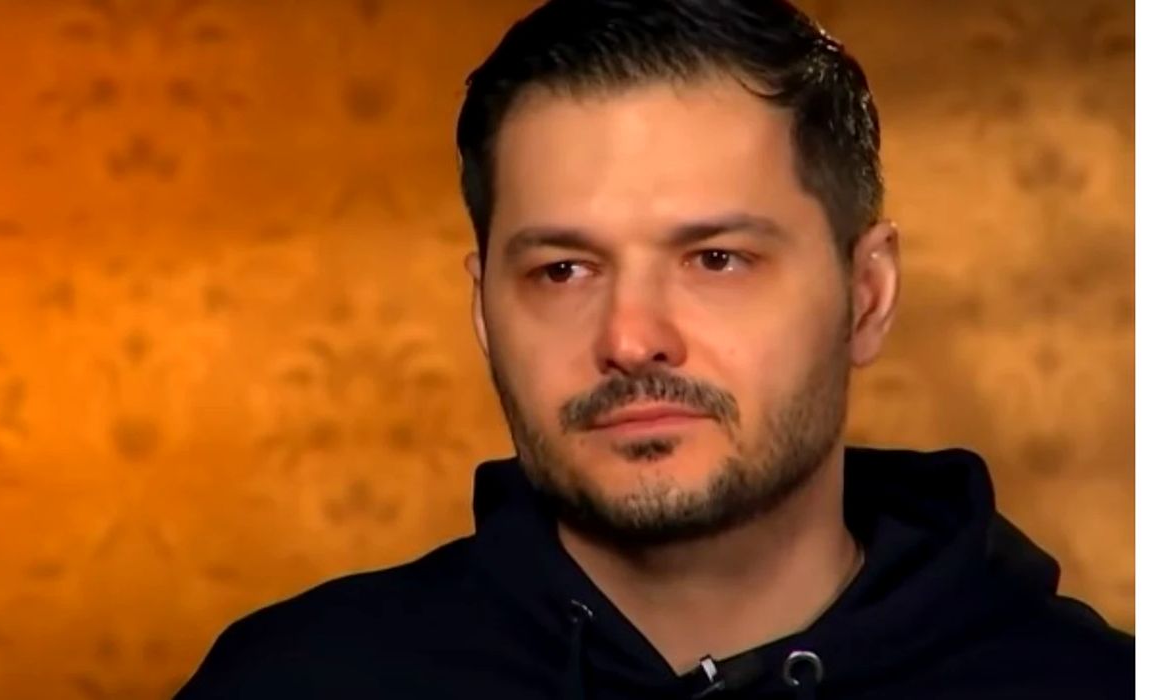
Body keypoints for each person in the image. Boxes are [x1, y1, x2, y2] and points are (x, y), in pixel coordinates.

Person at [176, 1, 1134, 698]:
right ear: (483, 313)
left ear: (867, 295)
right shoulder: (294, 682)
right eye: (562, 270)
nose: (631, 338)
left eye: (716, 260)